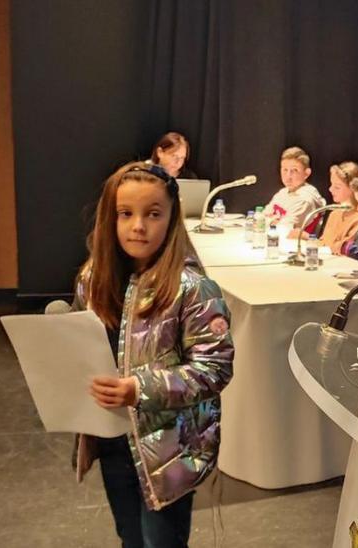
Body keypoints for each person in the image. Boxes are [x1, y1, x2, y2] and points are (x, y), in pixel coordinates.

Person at [71, 161, 233, 547]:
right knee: (130, 536)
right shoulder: (92, 279)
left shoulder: (193, 288)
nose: (138, 225)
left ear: (172, 219)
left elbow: (214, 368)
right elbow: (80, 349)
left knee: (161, 540)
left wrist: (138, 389)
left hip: (171, 449)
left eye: (153, 214)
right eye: (125, 214)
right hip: (114, 440)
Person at [265, 146, 327, 239]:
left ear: (306, 173)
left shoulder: (305, 199)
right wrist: (272, 221)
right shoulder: (283, 191)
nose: (288, 176)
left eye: (294, 171)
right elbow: (261, 218)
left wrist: (272, 220)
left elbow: (284, 229)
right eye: (285, 170)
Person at [315, 161, 358, 253]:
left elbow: (345, 250)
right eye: (331, 184)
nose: (330, 189)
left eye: (337, 187)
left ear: (353, 189)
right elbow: (322, 242)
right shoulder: (334, 214)